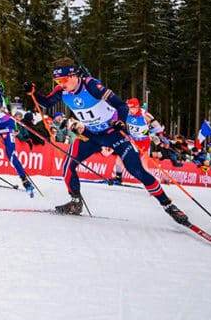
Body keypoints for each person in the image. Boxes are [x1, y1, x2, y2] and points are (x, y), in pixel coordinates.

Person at [24, 58, 189, 225]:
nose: (61, 84)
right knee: (68, 165)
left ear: (73, 75)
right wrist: (33, 92)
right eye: (57, 81)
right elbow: (45, 102)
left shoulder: (91, 86)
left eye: (63, 80)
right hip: (91, 135)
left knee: (136, 170)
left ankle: (168, 206)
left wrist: (121, 122)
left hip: (113, 133)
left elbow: (121, 106)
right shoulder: (62, 91)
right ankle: (75, 202)